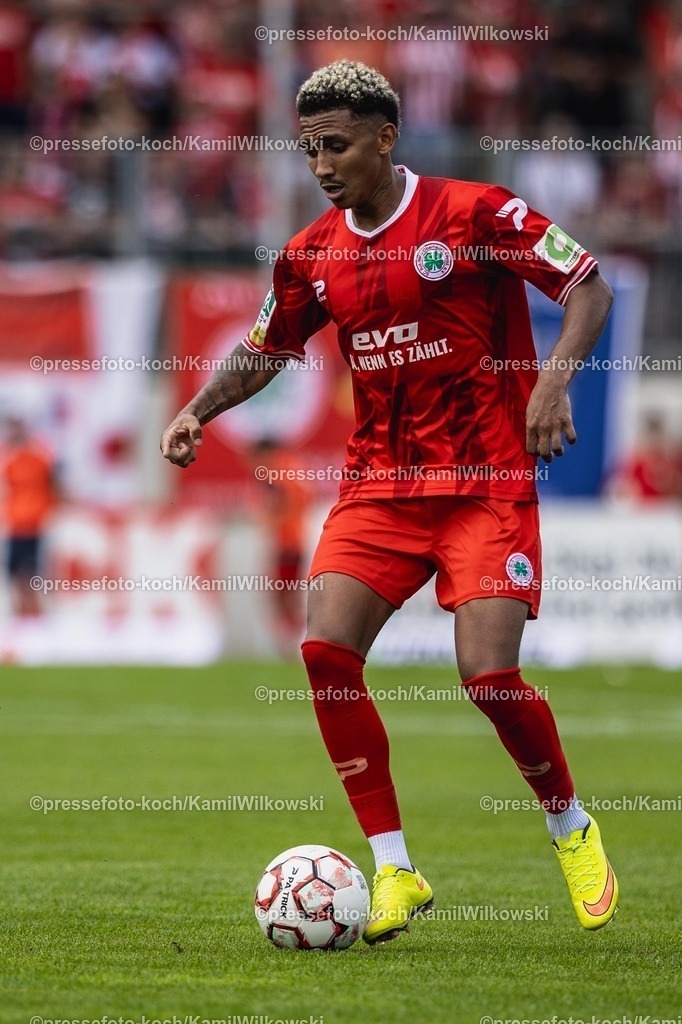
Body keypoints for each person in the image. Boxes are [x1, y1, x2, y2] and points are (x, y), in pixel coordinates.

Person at [161, 61, 618, 944]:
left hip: (483, 482)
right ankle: (395, 868)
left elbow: (587, 285)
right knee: (326, 651)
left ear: (384, 137)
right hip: (380, 486)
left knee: (487, 675)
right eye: (308, 150)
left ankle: (570, 825)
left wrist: (552, 383)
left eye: (335, 145)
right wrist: (196, 409)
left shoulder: (475, 213)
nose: (322, 165)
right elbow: (264, 348)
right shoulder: (311, 255)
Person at [1, 417, 58, 617]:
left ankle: (35, 618)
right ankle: (23, 619)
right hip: (15, 526)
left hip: (34, 525)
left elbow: (53, 484)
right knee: (15, 577)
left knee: (31, 576)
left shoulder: (37, 457)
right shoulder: (9, 457)